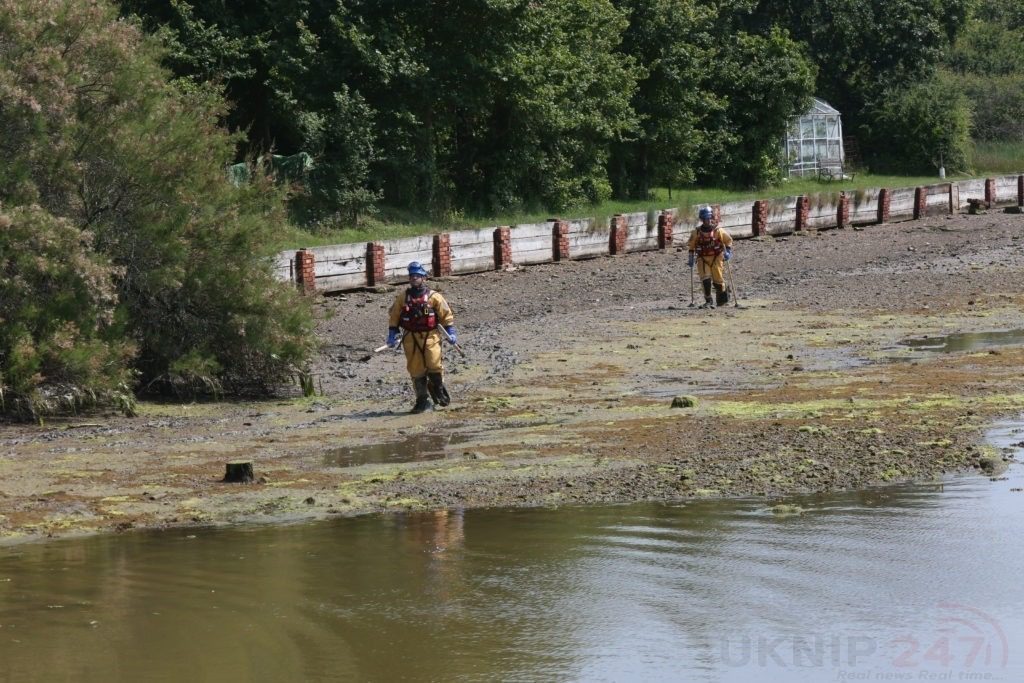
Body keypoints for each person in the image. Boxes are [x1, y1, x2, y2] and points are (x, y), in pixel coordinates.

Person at [386, 262, 457, 413]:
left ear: (424, 278)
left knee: (434, 362)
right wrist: (392, 333)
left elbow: (446, 315)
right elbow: (394, 316)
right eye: (412, 276)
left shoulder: (434, 297)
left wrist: (451, 332)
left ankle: (437, 387)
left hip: (431, 335)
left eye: (417, 276)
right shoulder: (402, 297)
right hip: (410, 337)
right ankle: (422, 400)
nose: (414, 278)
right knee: (416, 369)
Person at [687, 206, 734, 308]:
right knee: (705, 280)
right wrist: (690, 257)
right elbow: (691, 246)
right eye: (705, 219)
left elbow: (728, 241)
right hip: (702, 259)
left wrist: (728, 252)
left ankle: (723, 298)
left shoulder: (718, 231)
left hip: (716, 257)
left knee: (718, 281)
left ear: (711, 218)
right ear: (702, 219)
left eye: (708, 218)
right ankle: (708, 300)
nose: (707, 221)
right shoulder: (696, 232)